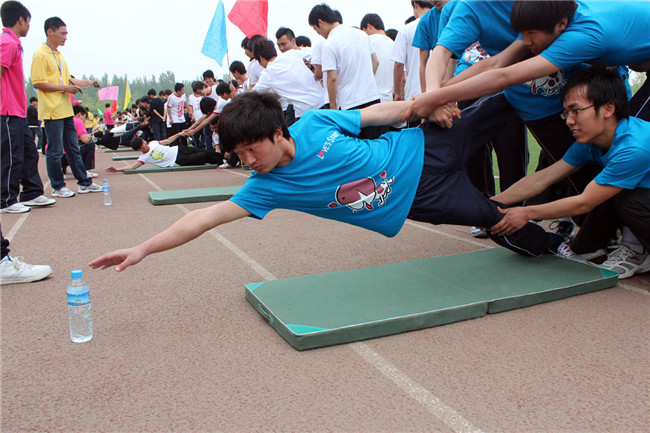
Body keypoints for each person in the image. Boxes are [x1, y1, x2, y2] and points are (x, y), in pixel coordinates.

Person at [89, 91, 576, 274]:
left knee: (504, 97)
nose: (246, 160)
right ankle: (556, 250)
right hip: (423, 199)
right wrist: (143, 249)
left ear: (279, 133)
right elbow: (202, 217)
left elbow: (375, 115)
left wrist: (425, 106)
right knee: (500, 221)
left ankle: (577, 99)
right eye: (237, 155)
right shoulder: (266, 187)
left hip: (426, 146)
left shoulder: (316, 123)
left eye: (249, 149)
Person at [492, 66, 650, 279]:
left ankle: (638, 253)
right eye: (566, 113)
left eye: (576, 111)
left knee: (628, 201)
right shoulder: (592, 142)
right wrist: (491, 203)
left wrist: (527, 213)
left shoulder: (634, 146)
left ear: (608, 108)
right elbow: (544, 177)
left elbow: (585, 202)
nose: (568, 120)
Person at [30, 16, 102, 198]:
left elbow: (69, 79)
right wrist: (65, 88)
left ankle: (84, 182)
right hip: (52, 111)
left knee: (73, 147)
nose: (65, 37)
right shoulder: (40, 55)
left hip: (65, 109)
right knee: (54, 151)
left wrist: (90, 82)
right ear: (50, 32)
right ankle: (57, 186)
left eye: (66, 33)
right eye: (62, 33)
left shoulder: (60, 56)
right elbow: (38, 83)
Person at [1, 1, 55, 213]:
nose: (29, 27)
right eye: (29, 22)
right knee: (11, 155)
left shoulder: (14, 43)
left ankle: (32, 192)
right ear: (21, 20)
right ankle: (5, 200)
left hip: (17, 109)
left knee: (29, 152)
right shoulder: (7, 43)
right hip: (6, 110)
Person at [309, 4, 384, 139]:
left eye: (316, 30)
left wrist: (332, 108)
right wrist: (364, 80)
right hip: (373, 98)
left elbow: (331, 78)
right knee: (375, 145)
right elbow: (375, 62)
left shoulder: (329, 43)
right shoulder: (361, 34)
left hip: (350, 105)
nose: (319, 34)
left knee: (355, 150)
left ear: (321, 22)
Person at [252, 39, 324, 125]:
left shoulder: (268, 73)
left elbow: (253, 94)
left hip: (306, 113)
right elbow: (313, 54)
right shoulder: (292, 53)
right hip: (322, 101)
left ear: (261, 58)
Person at [105, 131, 223, 173]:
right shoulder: (144, 158)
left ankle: (225, 157)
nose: (145, 144)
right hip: (179, 160)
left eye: (144, 142)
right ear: (139, 149)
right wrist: (117, 170)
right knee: (203, 156)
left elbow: (167, 141)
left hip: (180, 149)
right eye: (143, 145)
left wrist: (178, 134)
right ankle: (222, 161)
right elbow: (132, 166)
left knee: (205, 151)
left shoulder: (153, 143)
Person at [360, 13, 395, 104]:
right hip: (390, 100)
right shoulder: (394, 44)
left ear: (369, 26)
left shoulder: (368, 41)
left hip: (370, 100)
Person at [61, 105, 96, 178]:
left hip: (57, 155)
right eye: (84, 117)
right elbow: (85, 140)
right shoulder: (78, 121)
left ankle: (62, 170)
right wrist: (89, 136)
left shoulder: (62, 120)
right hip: (69, 155)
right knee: (90, 144)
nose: (84, 120)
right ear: (79, 114)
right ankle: (86, 170)